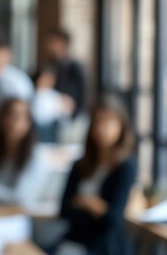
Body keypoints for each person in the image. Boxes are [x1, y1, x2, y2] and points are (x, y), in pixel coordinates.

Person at [57, 96, 136, 255]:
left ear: (121, 127)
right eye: (98, 122)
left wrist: (86, 202)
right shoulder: (80, 164)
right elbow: (64, 209)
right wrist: (97, 207)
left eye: (109, 122)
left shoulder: (125, 167)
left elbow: (113, 218)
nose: (102, 128)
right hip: (74, 239)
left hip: (104, 245)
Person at [0, 98, 47, 208]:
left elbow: (21, 198)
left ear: (29, 123)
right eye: (10, 115)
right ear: (1, 119)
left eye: (20, 117)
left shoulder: (36, 158)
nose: (14, 122)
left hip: (17, 220)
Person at [44, 29, 86, 117]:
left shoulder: (74, 68)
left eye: (53, 42)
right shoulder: (47, 66)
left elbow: (81, 97)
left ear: (63, 43)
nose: (48, 45)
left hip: (70, 115)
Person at [31, 66, 75, 143]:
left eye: (50, 79)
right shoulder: (30, 93)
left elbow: (64, 116)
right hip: (33, 128)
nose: (47, 81)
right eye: (44, 78)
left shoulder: (56, 96)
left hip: (50, 130)